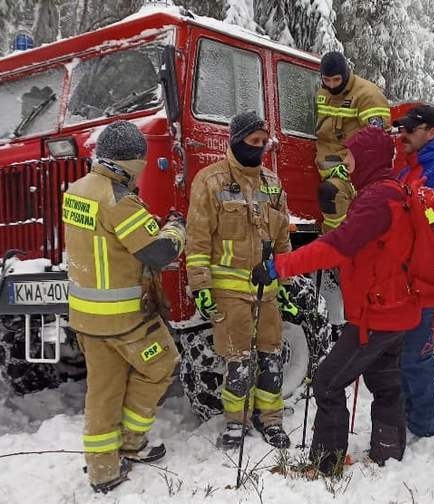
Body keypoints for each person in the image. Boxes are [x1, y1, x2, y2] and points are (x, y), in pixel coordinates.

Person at [262, 127, 420, 475]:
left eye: (349, 156)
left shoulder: (378, 199)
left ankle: (326, 463)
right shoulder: (392, 192)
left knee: (327, 381)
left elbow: (339, 246)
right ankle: (388, 451)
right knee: (386, 381)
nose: (344, 163)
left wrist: (280, 266)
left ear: (367, 158)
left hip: (376, 314)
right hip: (397, 308)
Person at [63, 120, 186, 493]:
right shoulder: (118, 199)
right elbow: (158, 252)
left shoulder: (77, 189)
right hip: (124, 319)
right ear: (132, 162)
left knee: (103, 389)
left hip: (87, 317)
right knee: (162, 365)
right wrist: (176, 228)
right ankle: (132, 442)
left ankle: (102, 469)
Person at [185, 111, 293, 449]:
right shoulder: (210, 181)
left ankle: (271, 419)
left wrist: (285, 280)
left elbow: (283, 242)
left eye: (264, 142)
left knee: (272, 356)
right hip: (230, 295)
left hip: (268, 291)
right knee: (238, 360)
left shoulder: (272, 184)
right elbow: (198, 240)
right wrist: (201, 287)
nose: (259, 148)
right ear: (236, 140)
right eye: (253, 141)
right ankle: (237, 423)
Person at [392, 105, 434, 438]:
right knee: (400, 356)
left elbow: (430, 224)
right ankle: (408, 419)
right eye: (400, 128)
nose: (402, 134)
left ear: (431, 133)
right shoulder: (408, 171)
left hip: (425, 278)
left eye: (410, 128)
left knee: (415, 358)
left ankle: (424, 430)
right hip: (403, 276)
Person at [315, 50, 390, 233]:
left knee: (331, 193)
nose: (331, 85)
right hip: (324, 160)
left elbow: (378, 141)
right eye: (327, 80)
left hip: (352, 164)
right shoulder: (322, 93)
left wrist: (359, 171)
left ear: (346, 74)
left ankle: (339, 248)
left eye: (336, 80)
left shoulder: (368, 95)